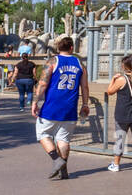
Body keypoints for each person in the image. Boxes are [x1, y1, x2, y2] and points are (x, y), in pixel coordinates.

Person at [31, 37, 89, 180]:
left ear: (58, 48)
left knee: (43, 134)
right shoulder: (80, 64)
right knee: (63, 139)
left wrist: (35, 101)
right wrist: (85, 104)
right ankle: (64, 170)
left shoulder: (52, 62)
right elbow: (85, 86)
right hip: (70, 107)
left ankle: (57, 160)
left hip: (52, 106)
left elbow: (43, 83)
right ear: (71, 48)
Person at [104, 56, 132, 174]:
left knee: (120, 139)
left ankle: (116, 164)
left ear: (123, 66)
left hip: (122, 114)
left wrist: (113, 79)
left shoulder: (121, 80)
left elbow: (109, 91)